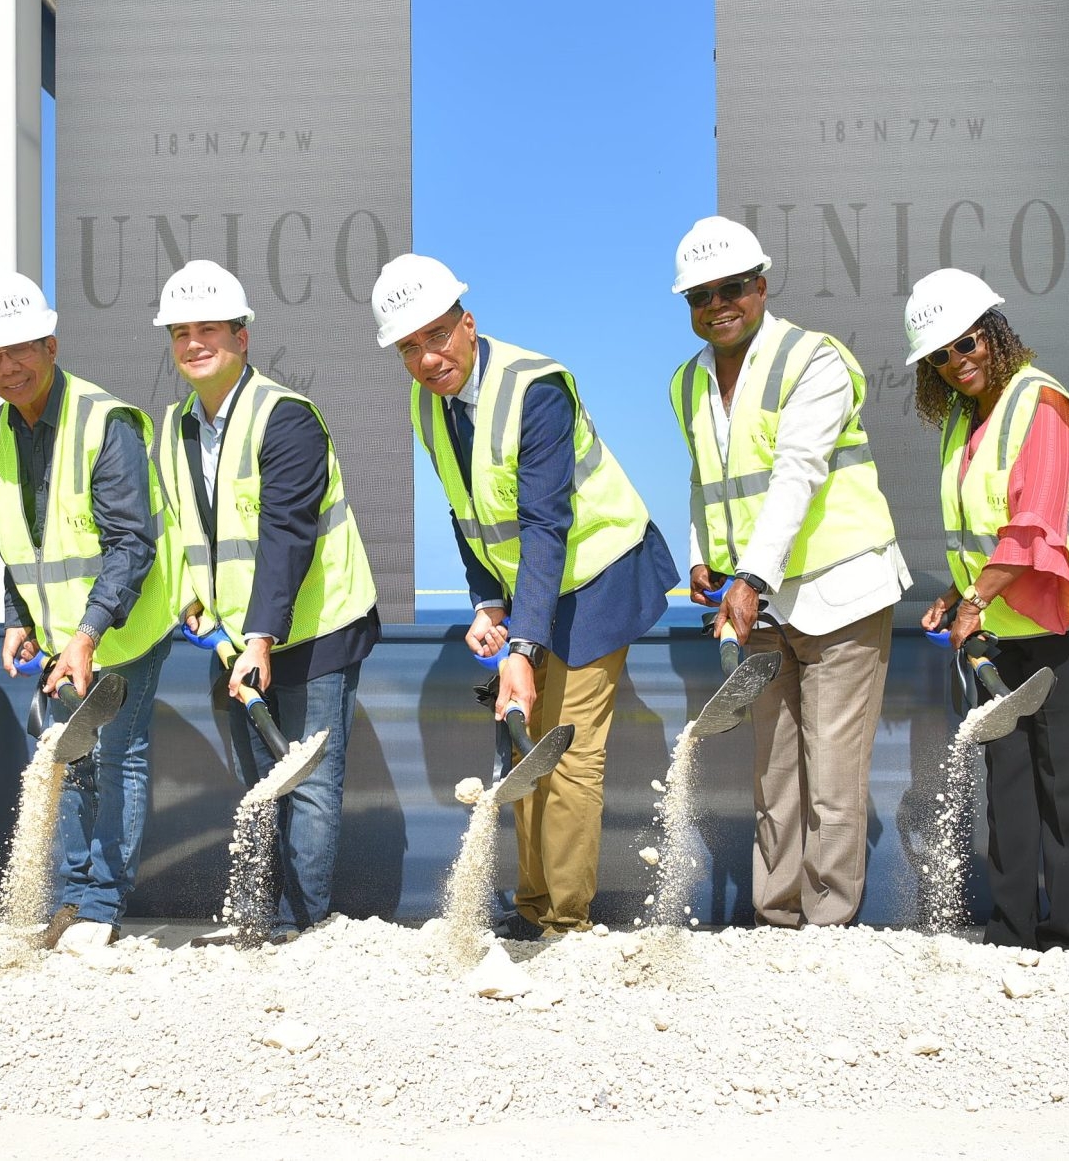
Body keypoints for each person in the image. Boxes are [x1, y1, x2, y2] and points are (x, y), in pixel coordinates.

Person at [378, 253, 677, 940]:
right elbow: (466, 510)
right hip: (535, 590)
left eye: (438, 335)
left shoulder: (536, 389)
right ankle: (534, 905)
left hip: (600, 573)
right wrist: (486, 601)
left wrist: (521, 645)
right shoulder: (430, 405)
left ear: (468, 323)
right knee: (522, 742)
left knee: (566, 750)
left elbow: (547, 525)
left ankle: (564, 924)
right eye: (410, 347)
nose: (428, 357)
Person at [667, 216, 909, 929]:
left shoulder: (814, 361)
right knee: (774, 775)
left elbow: (797, 475)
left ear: (761, 286)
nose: (718, 305)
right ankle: (776, 919)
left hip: (840, 592)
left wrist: (750, 580)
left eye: (732, 288)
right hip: (765, 605)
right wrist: (706, 557)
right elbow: (707, 480)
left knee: (832, 776)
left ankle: (827, 925)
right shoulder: (687, 384)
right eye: (700, 295)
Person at [150, 260, 380, 945]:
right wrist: (190, 600)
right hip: (235, 638)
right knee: (257, 781)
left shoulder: (287, 418)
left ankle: (308, 932)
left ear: (242, 336)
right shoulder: (176, 426)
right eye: (180, 332)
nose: (193, 343)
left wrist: (260, 639)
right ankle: (257, 924)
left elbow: (288, 536)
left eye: (209, 329)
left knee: (307, 785)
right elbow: (178, 526)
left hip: (313, 626)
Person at [903, 268, 1069, 950]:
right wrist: (957, 591)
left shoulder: (1041, 402)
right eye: (940, 355)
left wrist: (975, 598)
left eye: (966, 342)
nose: (957, 361)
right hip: (1004, 623)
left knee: (1067, 778)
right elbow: (986, 530)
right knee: (1008, 778)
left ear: (994, 331)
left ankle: (1062, 934)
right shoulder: (964, 419)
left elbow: (1033, 526)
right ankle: (1008, 928)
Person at [0, 270, 179, 948]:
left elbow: (130, 542)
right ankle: (67, 898)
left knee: (119, 756)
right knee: (66, 758)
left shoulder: (103, 421)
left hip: (125, 625)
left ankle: (100, 905)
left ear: (50, 345)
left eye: (18, 349)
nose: (6, 367)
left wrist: (87, 633)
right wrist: (17, 614)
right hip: (60, 631)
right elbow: (21, 535)